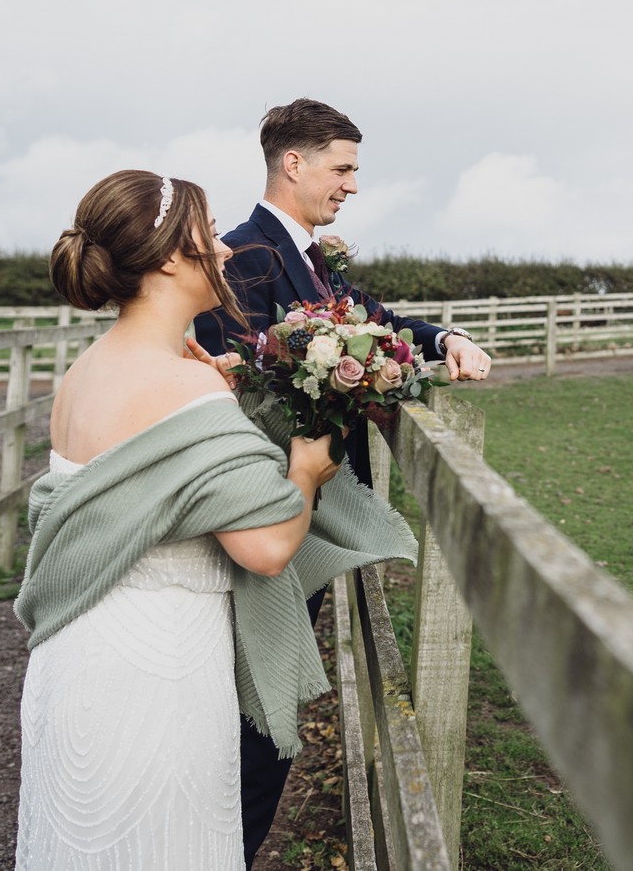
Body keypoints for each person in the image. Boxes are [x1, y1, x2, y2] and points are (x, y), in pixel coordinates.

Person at [15, 170, 409, 870]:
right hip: (157, 667)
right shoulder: (183, 382)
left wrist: (214, 399)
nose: (226, 250)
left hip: (74, 657)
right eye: (211, 234)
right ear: (171, 258)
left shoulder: (84, 372)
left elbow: (146, 471)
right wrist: (305, 472)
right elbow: (266, 548)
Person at [194, 97, 491, 865]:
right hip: (267, 526)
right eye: (343, 167)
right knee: (256, 726)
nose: (353, 184)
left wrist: (446, 337)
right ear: (294, 163)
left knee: (267, 718)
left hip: (306, 521)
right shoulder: (243, 257)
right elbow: (232, 398)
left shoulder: (313, 260)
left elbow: (378, 322)